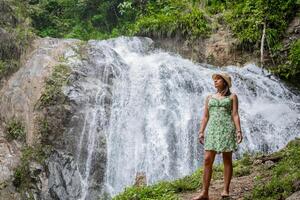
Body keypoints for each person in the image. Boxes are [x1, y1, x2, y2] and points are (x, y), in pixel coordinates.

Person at [192, 72, 243, 200]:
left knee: (227, 159)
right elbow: (205, 116)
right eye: (214, 80)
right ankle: (204, 193)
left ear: (225, 82)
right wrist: (201, 131)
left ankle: (225, 189)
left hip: (227, 129)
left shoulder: (232, 97)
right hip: (213, 130)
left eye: (218, 79)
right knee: (207, 160)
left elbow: (235, 115)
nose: (215, 81)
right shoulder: (209, 97)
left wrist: (238, 131)